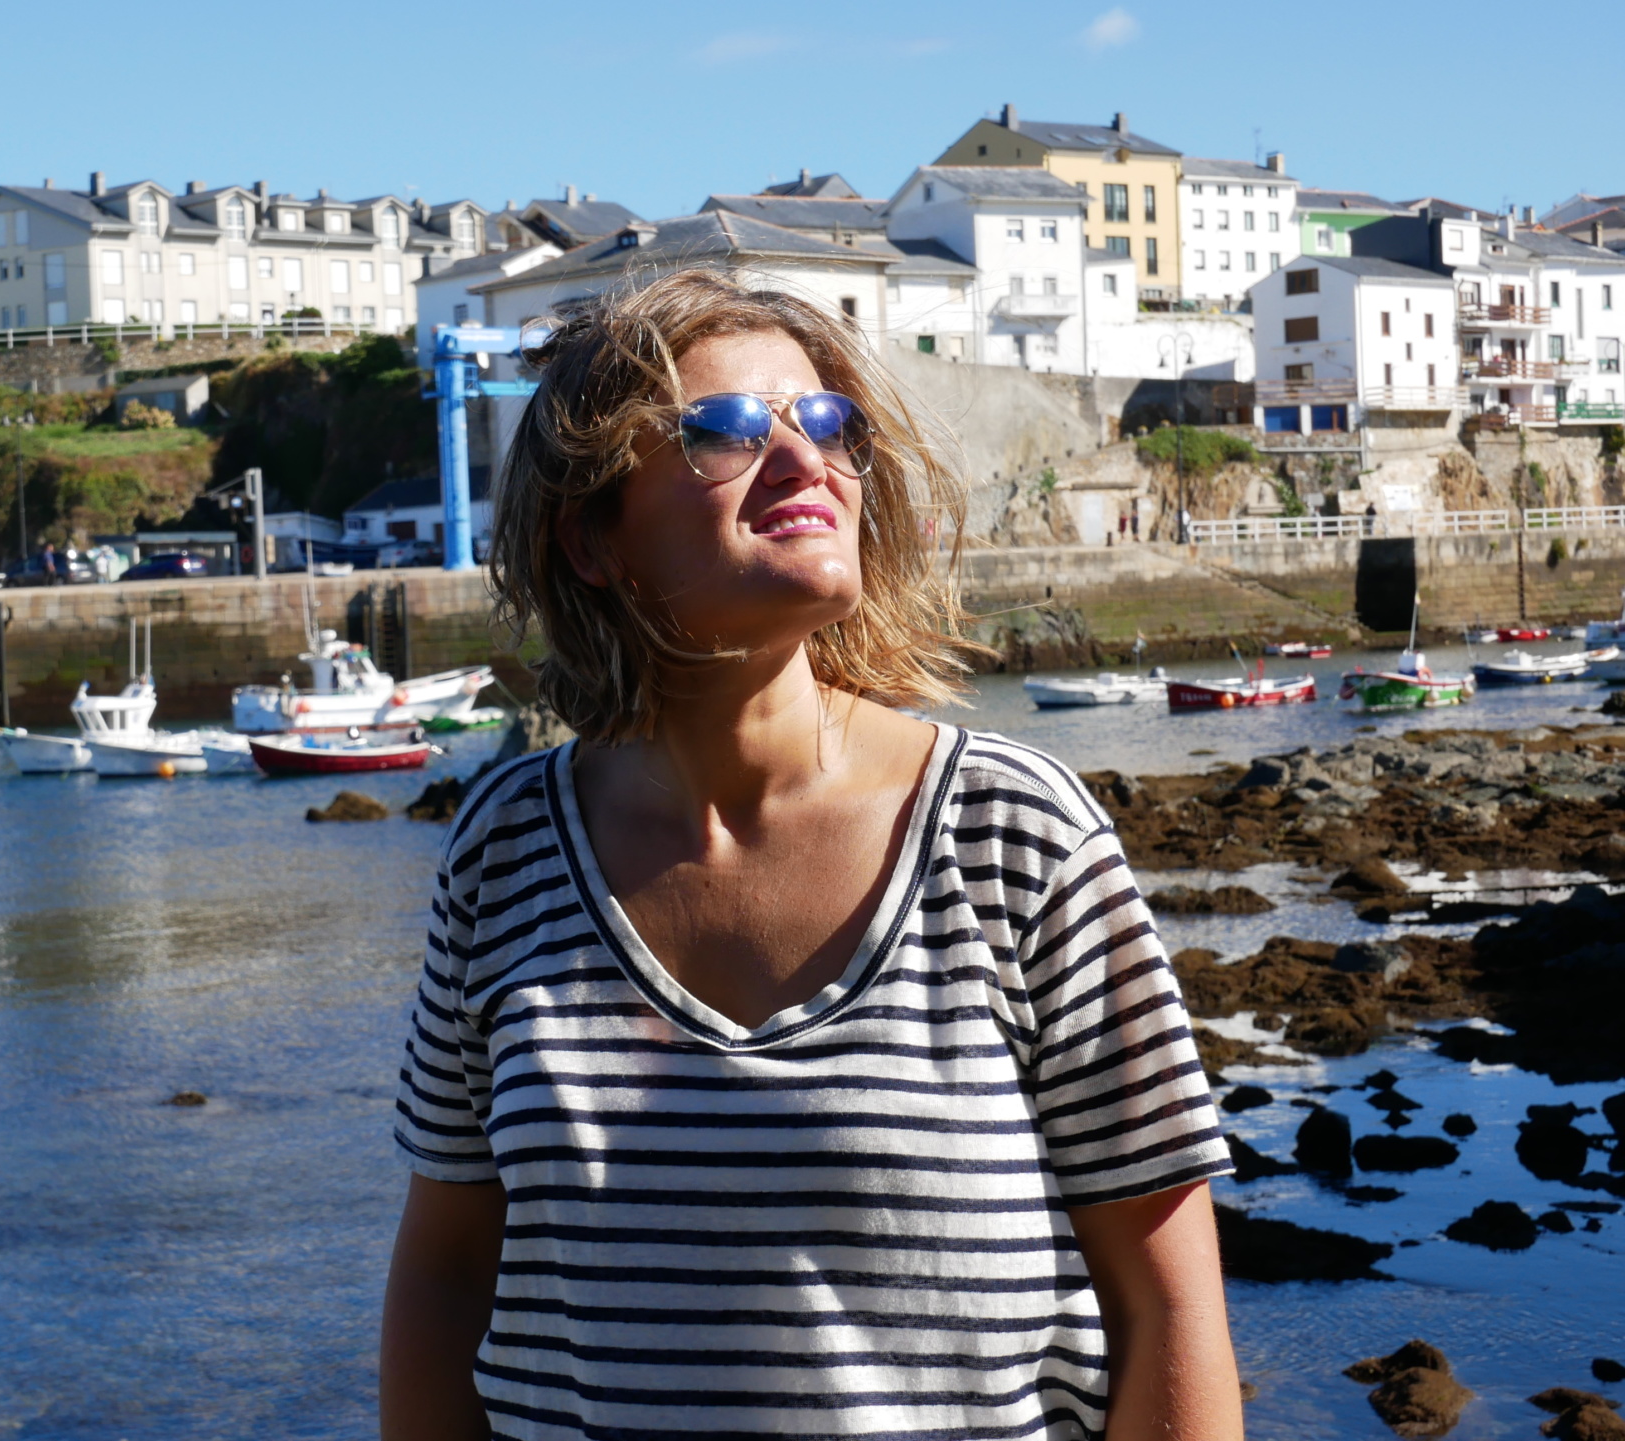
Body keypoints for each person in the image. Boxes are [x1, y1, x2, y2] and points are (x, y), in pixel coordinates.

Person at [381, 269, 1239, 1441]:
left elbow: (1170, 1303)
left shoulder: (1015, 835)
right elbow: (442, 1277)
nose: (804, 461)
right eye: (726, 429)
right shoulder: (502, 854)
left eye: (827, 424)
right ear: (590, 537)